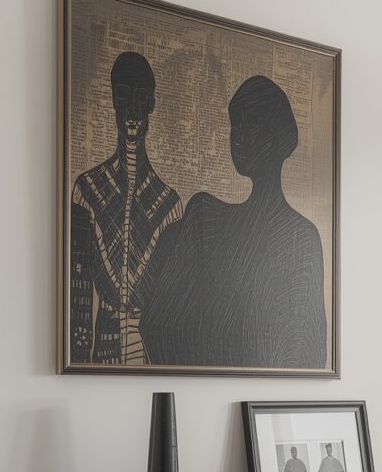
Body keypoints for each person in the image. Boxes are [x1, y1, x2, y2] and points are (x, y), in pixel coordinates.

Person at [140, 75, 327, 369]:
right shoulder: (205, 218)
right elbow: (158, 325)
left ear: (277, 139)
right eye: (234, 127)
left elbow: (310, 351)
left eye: (251, 128)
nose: (238, 138)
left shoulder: (302, 238)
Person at [69, 52, 182, 365]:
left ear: (152, 105)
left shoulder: (169, 204)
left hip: (152, 358)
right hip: (101, 353)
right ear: (114, 101)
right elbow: (77, 303)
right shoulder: (87, 190)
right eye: (124, 97)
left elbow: (169, 307)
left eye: (141, 98)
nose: (133, 109)